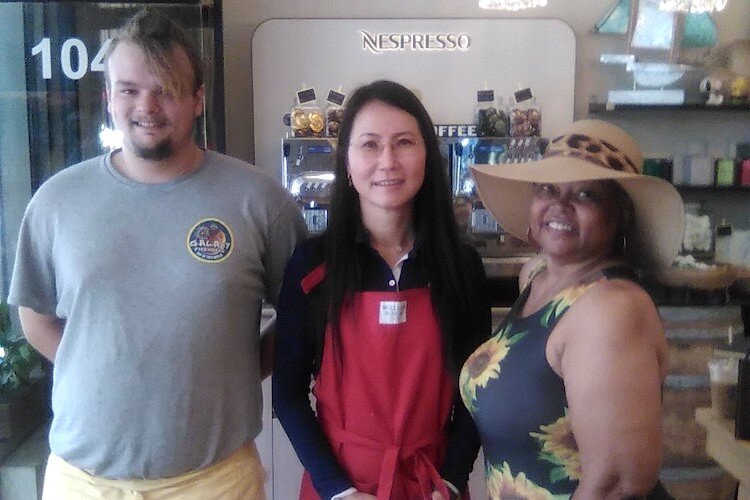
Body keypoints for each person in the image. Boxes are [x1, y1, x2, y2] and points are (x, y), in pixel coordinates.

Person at [7, 8, 307, 499]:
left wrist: (224, 373)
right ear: (108, 97)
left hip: (215, 482)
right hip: (83, 483)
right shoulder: (56, 201)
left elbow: (302, 320)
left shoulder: (261, 202)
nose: (147, 106)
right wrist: (109, 369)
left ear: (198, 99)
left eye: (166, 89)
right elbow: (35, 317)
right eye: (129, 90)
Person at [272, 79, 491, 500]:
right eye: (370, 145)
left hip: (431, 485)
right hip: (338, 487)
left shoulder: (461, 266)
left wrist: (451, 480)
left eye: (404, 143)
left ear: (427, 156)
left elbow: (475, 390)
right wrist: (339, 490)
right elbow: (288, 395)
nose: (388, 161)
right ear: (347, 161)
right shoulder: (313, 265)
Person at [460, 119, 684, 499]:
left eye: (586, 195)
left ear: (620, 217)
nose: (560, 205)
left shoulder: (610, 310)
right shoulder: (538, 277)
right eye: (547, 188)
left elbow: (615, 485)